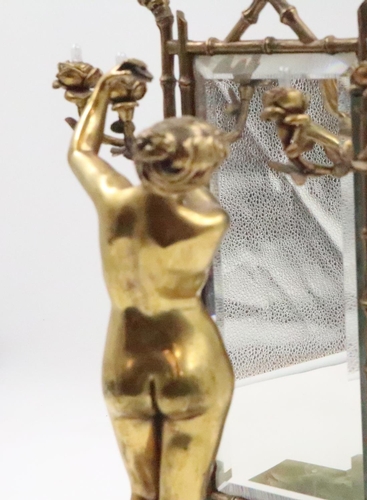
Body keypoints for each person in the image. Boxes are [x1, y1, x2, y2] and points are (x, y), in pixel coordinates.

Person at [67, 60, 234, 500]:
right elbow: (188, 187)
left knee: (142, 494)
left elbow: (81, 151)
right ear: (197, 170)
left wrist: (104, 89)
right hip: (189, 358)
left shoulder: (113, 200)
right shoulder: (208, 221)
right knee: (183, 493)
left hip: (123, 359)